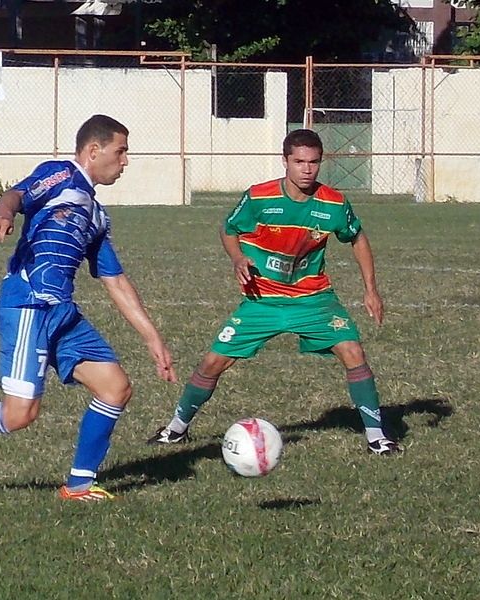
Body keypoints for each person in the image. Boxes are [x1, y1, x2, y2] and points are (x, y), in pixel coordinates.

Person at [0, 114, 177, 501]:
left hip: (61, 313)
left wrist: (154, 340)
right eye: (120, 152)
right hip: (28, 306)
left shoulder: (96, 215)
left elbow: (115, 281)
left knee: (115, 388)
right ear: (93, 150)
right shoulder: (61, 175)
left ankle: (79, 486)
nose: (125, 161)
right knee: (20, 414)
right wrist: (4, 216)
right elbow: (16, 195)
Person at [148, 128, 401, 455]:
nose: (307, 169)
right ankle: (176, 429)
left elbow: (357, 237)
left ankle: (376, 437)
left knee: (353, 353)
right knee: (212, 362)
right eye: (299, 162)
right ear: (285, 161)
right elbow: (229, 230)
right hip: (262, 300)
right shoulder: (259, 197)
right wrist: (238, 258)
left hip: (313, 299)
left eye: (314, 162)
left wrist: (371, 290)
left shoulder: (334, 203)